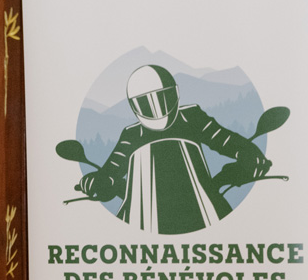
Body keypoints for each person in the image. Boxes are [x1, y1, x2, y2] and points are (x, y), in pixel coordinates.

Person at [77, 64, 271, 233]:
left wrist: (248, 155)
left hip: (202, 203)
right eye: (146, 102)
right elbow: (112, 170)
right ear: (134, 106)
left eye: (163, 97)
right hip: (143, 213)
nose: (156, 108)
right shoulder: (131, 135)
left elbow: (225, 140)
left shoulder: (192, 117)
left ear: (175, 93)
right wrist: (97, 182)